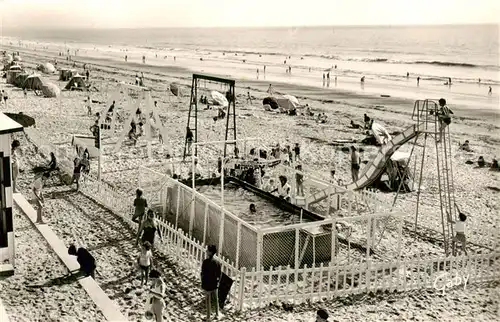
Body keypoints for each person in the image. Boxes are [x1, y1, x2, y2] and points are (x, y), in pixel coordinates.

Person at [201, 245, 222, 321]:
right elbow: (219, 274)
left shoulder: (205, 262)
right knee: (216, 299)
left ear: (210, 252)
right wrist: (218, 282)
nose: (206, 251)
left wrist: (202, 283)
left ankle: (208, 317)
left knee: (208, 300)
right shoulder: (217, 263)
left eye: (208, 250)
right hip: (214, 284)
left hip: (207, 284)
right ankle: (217, 314)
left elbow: (203, 274)